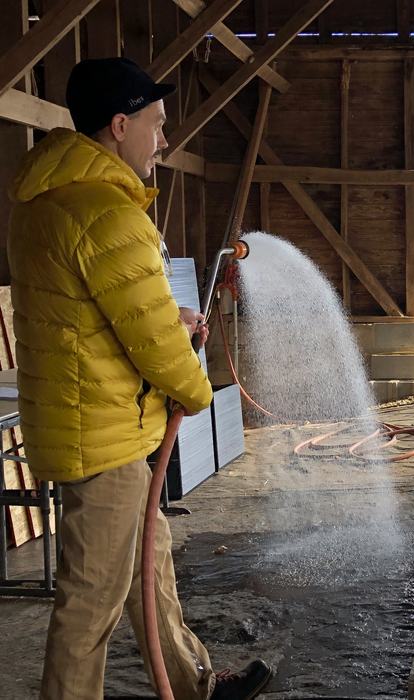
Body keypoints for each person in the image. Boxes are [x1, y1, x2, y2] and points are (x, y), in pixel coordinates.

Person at [7, 57, 272, 698]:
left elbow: (94, 313)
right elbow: (154, 346)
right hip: (103, 436)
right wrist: (196, 388)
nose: (163, 138)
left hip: (89, 424)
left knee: (150, 573)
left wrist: (166, 314)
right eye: (155, 124)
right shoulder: (107, 211)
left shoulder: (49, 201)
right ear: (119, 126)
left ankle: (194, 683)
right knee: (90, 605)